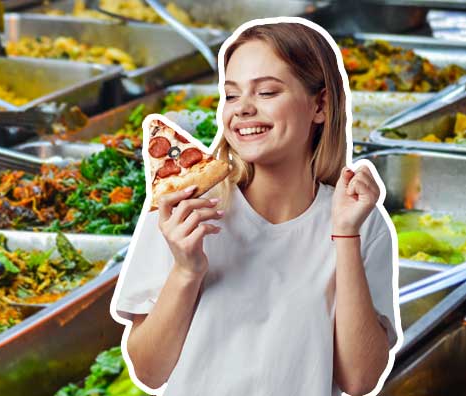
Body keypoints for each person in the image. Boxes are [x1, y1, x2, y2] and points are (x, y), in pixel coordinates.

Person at [111, 18, 400, 396]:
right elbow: (150, 372)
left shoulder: (360, 219)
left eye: (266, 92)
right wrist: (186, 269)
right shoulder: (182, 208)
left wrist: (345, 233)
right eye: (231, 95)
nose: (242, 109)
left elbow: (359, 379)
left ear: (320, 105)